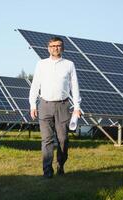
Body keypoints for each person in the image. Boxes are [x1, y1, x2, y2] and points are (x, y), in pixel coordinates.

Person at [29, 37, 81, 178]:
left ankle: (60, 164)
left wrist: (77, 106)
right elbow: (35, 85)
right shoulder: (41, 64)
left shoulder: (69, 65)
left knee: (63, 139)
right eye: (52, 46)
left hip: (63, 106)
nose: (55, 48)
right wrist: (33, 104)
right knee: (47, 140)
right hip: (44, 105)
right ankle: (47, 171)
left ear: (62, 48)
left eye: (58, 46)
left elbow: (74, 86)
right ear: (48, 48)